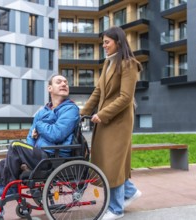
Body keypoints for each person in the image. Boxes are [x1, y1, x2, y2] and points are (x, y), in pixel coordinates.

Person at [0, 74, 80, 218]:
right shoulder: (43, 111)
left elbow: (57, 134)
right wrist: (26, 158)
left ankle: (11, 189)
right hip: (40, 154)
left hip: (54, 157)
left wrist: (39, 126)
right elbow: (30, 138)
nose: (64, 84)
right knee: (4, 164)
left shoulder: (70, 109)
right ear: (49, 88)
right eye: (59, 82)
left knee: (15, 146)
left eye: (66, 82)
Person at [80, 26, 142, 220]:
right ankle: (130, 192)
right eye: (103, 43)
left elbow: (125, 97)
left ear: (119, 42)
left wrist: (102, 114)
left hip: (119, 121)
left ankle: (116, 209)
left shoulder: (129, 64)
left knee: (113, 162)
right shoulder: (108, 65)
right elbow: (97, 92)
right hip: (107, 120)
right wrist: (82, 112)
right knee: (107, 161)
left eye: (107, 42)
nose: (104, 46)